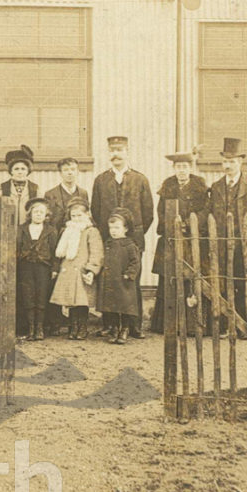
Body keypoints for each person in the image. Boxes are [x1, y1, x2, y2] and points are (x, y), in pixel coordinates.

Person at [90, 136, 154, 337]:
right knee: (109, 281)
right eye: (112, 151)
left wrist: (132, 237)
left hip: (132, 242)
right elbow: (95, 210)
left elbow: (148, 213)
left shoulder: (140, 179)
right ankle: (109, 324)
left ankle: (133, 325)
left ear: (127, 152)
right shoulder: (101, 180)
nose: (116, 154)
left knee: (130, 280)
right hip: (108, 241)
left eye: (119, 150)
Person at [207, 137, 247, 325]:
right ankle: (227, 323)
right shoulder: (217, 187)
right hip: (222, 244)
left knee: (244, 283)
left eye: (232, 162)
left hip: (246, 245)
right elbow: (210, 214)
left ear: (240, 162)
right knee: (225, 283)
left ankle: (244, 324)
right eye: (225, 161)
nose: (227, 165)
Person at [151, 151, 209, 334]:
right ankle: (166, 324)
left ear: (190, 168)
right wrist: (171, 225)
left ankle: (192, 326)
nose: (181, 171)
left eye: (185, 167)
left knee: (192, 278)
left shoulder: (199, 186)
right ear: (174, 169)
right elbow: (161, 211)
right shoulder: (168, 185)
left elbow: (205, 211)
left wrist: (189, 224)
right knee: (169, 278)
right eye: (178, 167)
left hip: (193, 239)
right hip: (171, 238)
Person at [50, 197, 104, 340]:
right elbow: (61, 251)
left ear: (87, 215)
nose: (76, 218)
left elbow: (96, 252)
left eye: (80, 215)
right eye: (73, 216)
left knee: (81, 300)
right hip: (68, 268)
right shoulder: (67, 231)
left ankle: (82, 327)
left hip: (82, 270)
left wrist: (92, 270)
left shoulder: (91, 231)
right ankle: (73, 326)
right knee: (71, 300)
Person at [16, 197, 58, 341]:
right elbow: (16, 248)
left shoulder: (51, 231)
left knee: (41, 295)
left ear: (46, 215)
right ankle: (30, 327)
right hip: (25, 266)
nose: (38, 214)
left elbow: (55, 251)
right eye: (35, 212)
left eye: (41, 212)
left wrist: (54, 269)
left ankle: (40, 328)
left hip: (43, 268)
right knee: (27, 295)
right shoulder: (21, 229)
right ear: (30, 214)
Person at [97, 208, 141, 344]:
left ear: (126, 228)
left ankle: (125, 330)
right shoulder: (108, 243)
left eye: (117, 228)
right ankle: (115, 329)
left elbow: (135, 262)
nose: (113, 231)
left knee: (125, 307)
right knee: (112, 307)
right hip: (110, 281)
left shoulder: (129, 245)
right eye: (111, 228)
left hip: (124, 282)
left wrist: (129, 274)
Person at [45, 157, 89, 232]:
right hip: (57, 236)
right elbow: (48, 221)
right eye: (66, 170)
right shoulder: (50, 194)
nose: (70, 173)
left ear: (78, 172)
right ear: (60, 173)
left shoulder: (83, 193)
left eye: (73, 169)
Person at [0, 145, 39, 225]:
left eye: (23, 169)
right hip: (7, 228)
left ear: (28, 171)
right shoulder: (2, 188)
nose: (20, 172)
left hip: (28, 229)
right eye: (16, 169)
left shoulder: (35, 189)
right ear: (11, 171)